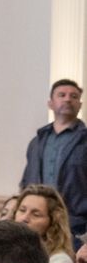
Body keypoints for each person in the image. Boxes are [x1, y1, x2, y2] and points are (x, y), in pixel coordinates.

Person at [21, 79, 87, 243]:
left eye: (73, 96)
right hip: (36, 224)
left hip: (75, 224)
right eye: (61, 95)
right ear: (50, 103)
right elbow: (26, 181)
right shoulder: (36, 142)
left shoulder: (85, 141)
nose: (67, 99)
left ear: (80, 104)